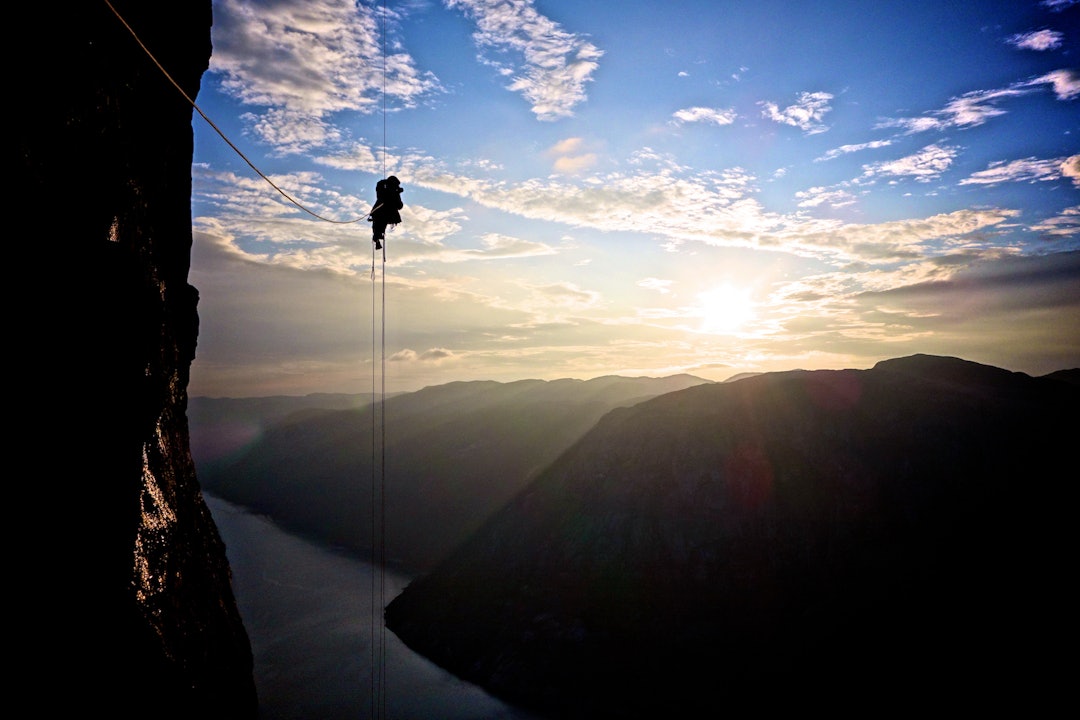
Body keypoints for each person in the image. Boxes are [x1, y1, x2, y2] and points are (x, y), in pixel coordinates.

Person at [368, 175, 403, 250]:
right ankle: (378, 236)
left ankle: (377, 236)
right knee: (381, 222)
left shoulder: (382, 187)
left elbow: (379, 194)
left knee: (378, 224)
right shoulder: (394, 191)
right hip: (388, 213)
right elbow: (400, 206)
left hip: (378, 212)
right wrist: (397, 192)